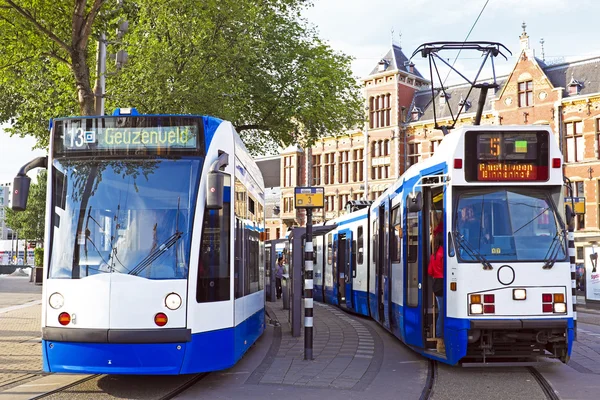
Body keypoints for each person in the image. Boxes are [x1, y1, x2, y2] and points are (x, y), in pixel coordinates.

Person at [428, 232, 444, 349]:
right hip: (443, 283)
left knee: (441, 310)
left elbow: (430, 272)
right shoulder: (444, 254)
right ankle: (440, 336)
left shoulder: (434, 255)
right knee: (443, 312)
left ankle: (439, 337)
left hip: (436, 284)